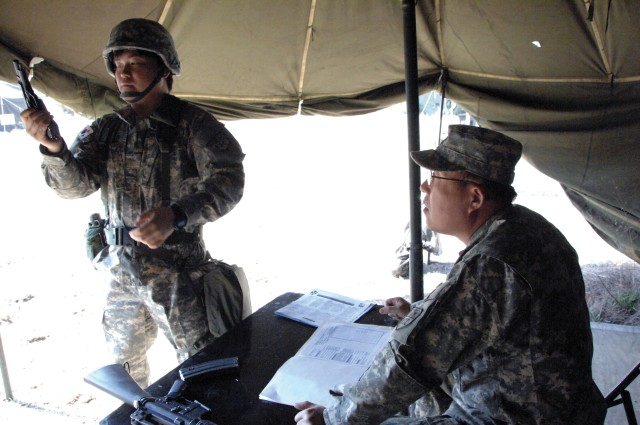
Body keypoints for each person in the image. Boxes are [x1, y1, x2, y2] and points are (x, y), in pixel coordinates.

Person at [294, 125, 606, 424]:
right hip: (552, 406)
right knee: (417, 394)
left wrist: (333, 418)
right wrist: (417, 314)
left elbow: (411, 358)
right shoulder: (523, 227)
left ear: (475, 198)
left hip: (508, 416)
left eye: (436, 177)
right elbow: (471, 320)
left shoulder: (492, 261)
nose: (424, 187)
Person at [20, 18, 245, 387]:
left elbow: (229, 181)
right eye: (118, 66)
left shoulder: (193, 124)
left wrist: (177, 215)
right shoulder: (107, 128)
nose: (124, 74)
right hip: (120, 269)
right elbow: (74, 186)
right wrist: (54, 148)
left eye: (136, 65)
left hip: (177, 272)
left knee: (201, 367)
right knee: (125, 371)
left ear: (164, 68)